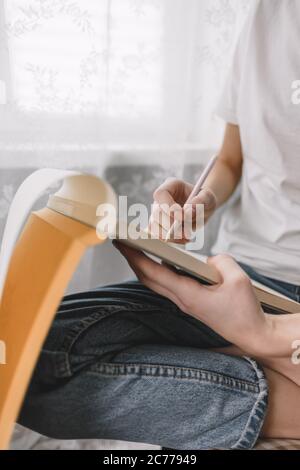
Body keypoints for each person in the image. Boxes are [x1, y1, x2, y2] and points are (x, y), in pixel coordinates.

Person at [19, 0, 300, 449]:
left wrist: (261, 335)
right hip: (237, 271)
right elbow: (231, 157)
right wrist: (202, 198)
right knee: (24, 355)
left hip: (288, 302)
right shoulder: (266, 14)